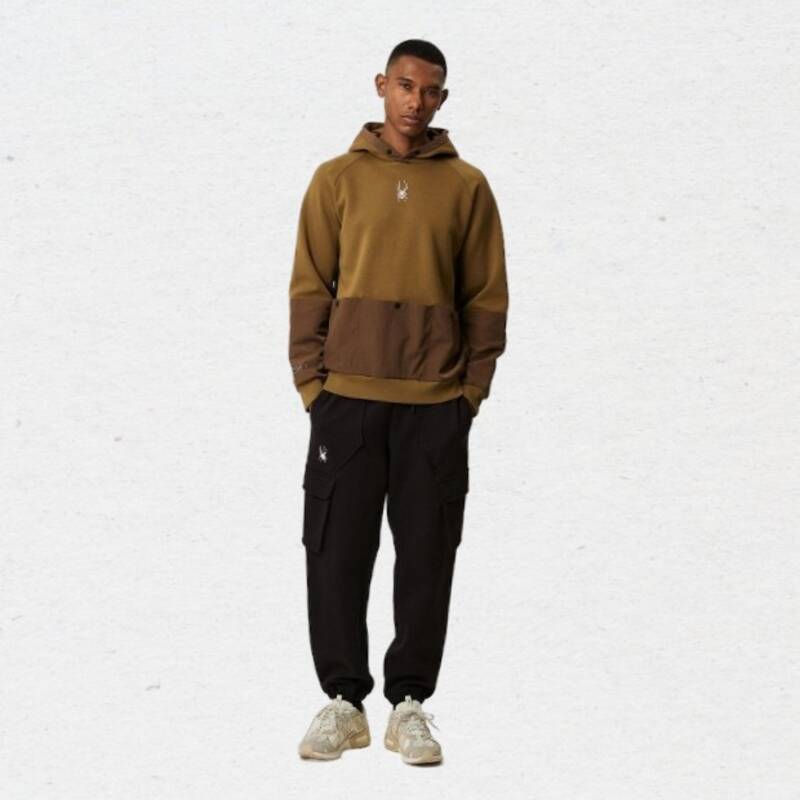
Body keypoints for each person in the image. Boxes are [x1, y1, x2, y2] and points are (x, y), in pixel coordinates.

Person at [289, 38, 509, 765]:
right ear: (382, 85)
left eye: (431, 91)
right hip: (347, 401)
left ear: (442, 99)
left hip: (435, 404)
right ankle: (343, 702)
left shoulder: (467, 186)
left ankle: (408, 704)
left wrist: (469, 392)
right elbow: (310, 285)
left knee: (426, 555)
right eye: (406, 86)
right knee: (336, 552)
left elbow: (486, 297)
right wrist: (313, 384)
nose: (417, 102)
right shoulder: (336, 179)